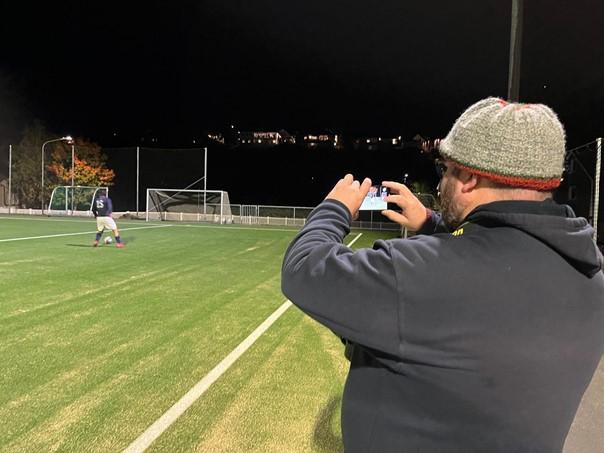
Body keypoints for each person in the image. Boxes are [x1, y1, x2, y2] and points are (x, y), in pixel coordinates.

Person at [281, 97, 604, 452]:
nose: (442, 182)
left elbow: (304, 268)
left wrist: (334, 209)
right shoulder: (590, 275)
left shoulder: (421, 272)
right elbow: (495, 279)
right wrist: (433, 225)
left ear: (468, 178)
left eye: (446, 170)